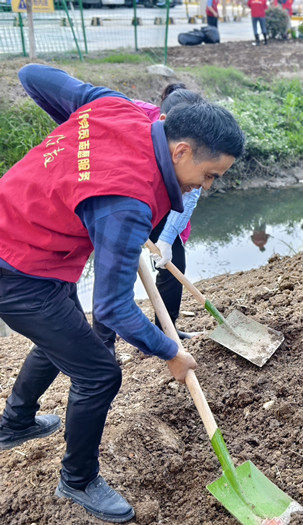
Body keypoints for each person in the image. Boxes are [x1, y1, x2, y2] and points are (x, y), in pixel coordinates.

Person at [0, 64, 245, 522]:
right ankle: (78, 480)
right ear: (183, 149)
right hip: (17, 270)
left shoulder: (116, 107)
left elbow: (33, 74)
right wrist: (169, 349)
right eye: (210, 175)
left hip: (31, 247)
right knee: (99, 373)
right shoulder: (127, 203)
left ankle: (14, 424)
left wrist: (80, 152)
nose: (207, 187)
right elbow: (112, 308)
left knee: (62, 340)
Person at [19, 73, 206, 346]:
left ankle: (168, 328)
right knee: (116, 272)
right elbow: (86, 122)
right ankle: (105, 340)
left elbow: (190, 194)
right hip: (122, 198)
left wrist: (165, 239)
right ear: (162, 116)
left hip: (165, 201)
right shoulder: (134, 113)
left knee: (174, 260)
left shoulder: (196, 144)